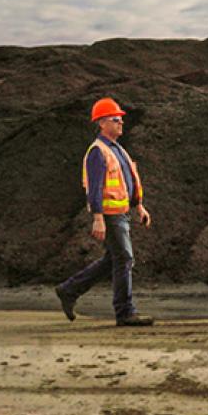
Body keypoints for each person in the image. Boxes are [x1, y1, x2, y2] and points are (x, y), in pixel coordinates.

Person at [55, 97, 154, 327]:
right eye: (115, 119)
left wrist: (139, 205)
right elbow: (95, 187)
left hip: (122, 213)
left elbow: (127, 179)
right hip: (110, 215)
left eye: (120, 119)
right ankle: (125, 312)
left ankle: (69, 290)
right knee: (125, 258)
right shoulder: (97, 152)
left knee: (114, 259)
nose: (120, 123)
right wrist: (98, 218)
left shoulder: (116, 149)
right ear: (101, 123)